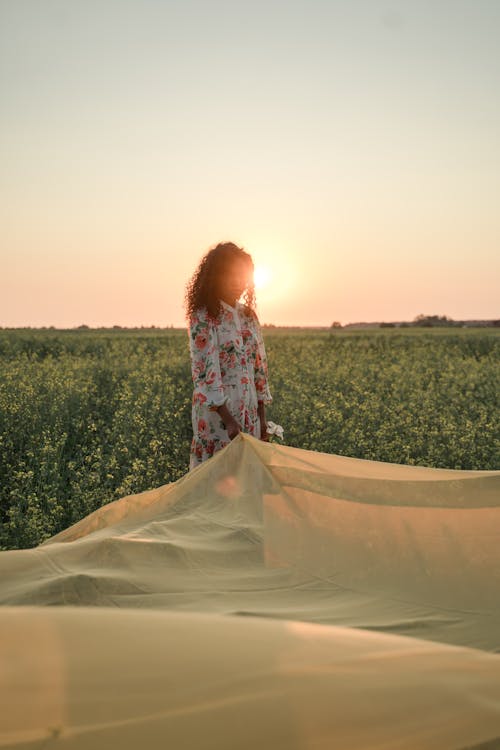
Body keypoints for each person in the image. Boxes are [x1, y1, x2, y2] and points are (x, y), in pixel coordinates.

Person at [185, 242, 272, 469]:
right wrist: (229, 420)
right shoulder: (203, 316)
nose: (239, 284)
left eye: (244, 277)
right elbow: (205, 372)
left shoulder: (247, 315)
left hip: (249, 408)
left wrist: (262, 420)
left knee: (248, 480)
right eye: (232, 276)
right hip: (218, 416)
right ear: (217, 275)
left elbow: (258, 369)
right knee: (218, 482)